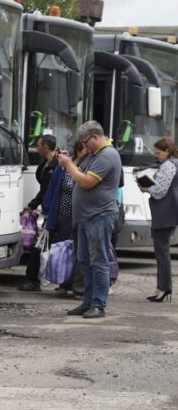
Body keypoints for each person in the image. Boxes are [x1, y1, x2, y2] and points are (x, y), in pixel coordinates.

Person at [58, 121, 122, 319]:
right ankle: (87, 302)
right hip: (86, 217)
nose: (84, 146)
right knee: (84, 261)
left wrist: (69, 165)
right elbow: (79, 173)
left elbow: (86, 182)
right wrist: (70, 162)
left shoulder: (107, 155)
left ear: (95, 136)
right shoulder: (94, 154)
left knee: (99, 261)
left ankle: (98, 305)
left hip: (99, 216)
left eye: (86, 142)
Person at [46, 139, 87, 297]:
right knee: (63, 250)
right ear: (78, 150)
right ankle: (63, 282)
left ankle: (77, 285)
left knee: (79, 252)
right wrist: (49, 211)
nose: (87, 153)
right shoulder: (64, 166)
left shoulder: (88, 166)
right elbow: (53, 187)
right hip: (63, 214)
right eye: (84, 150)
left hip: (80, 215)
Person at [139, 137, 178, 303]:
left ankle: (164, 288)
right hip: (166, 212)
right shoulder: (173, 164)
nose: (156, 156)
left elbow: (161, 190)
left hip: (164, 212)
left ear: (167, 151)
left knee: (162, 252)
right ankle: (161, 287)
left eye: (158, 153)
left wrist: (146, 188)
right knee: (162, 251)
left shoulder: (169, 165)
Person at [18, 134, 58, 292]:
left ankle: (35, 280)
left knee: (41, 247)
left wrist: (34, 204)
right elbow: (43, 189)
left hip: (53, 213)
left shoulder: (56, 166)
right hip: (47, 210)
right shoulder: (46, 164)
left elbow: (48, 191)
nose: (37, 148)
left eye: (39, 145)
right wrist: (32, 205)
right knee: (41, 247)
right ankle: (36, 279)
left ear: (47, 146)